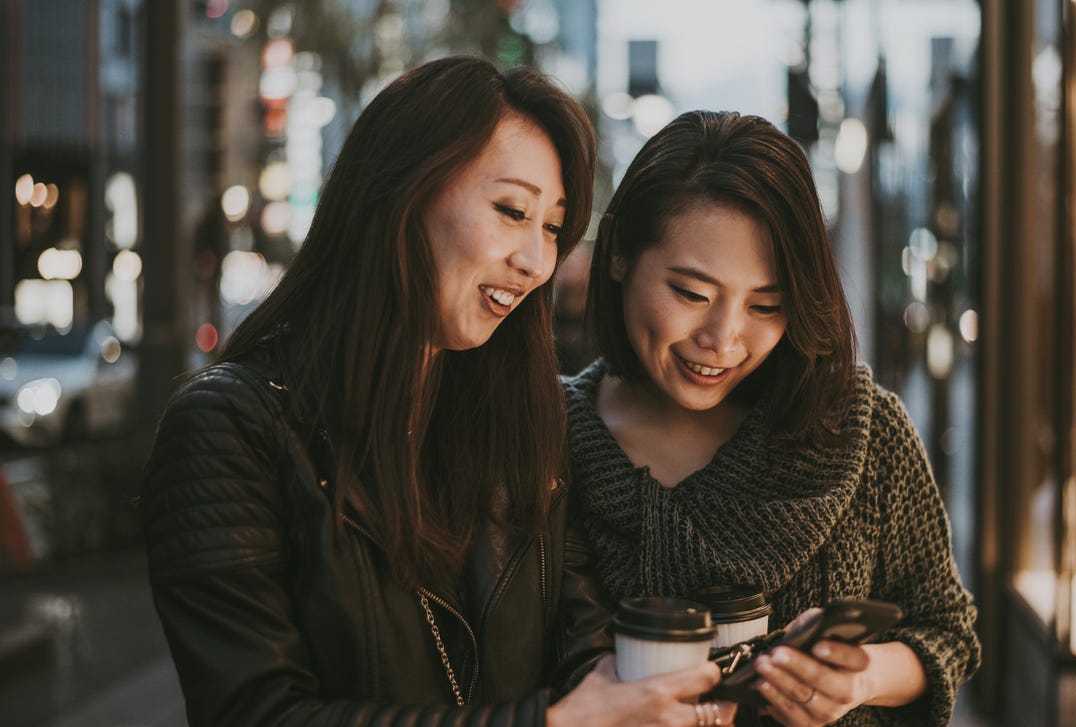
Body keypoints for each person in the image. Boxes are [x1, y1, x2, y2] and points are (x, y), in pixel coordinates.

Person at [141, 57, 726, 727]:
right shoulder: (229, 431)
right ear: (403, 193)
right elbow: (256, 711)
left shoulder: (526, 419)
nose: (536, 261)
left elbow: (582, 645)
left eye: (553, 227)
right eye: (512, 211)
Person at [564, 110, 981, 727]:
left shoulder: (862, 431)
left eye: (766, 305)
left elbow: (947, 630)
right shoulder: (547, 438)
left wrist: (860, 678)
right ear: (620, 251)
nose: (723, 339)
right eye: (692, 294)